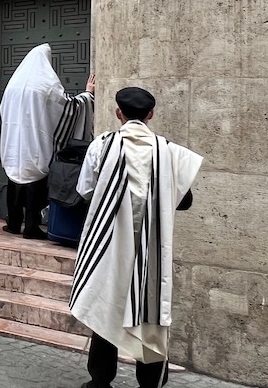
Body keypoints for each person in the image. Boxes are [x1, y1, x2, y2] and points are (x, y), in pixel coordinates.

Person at [70, 87, 202, 388]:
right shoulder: (167, 151)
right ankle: (150, 383)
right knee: (151, 314)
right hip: (152, 248)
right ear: (151, 115)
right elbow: (185, 200)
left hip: (111, 245)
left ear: (119, 113)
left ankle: (100, 381)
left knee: (107, 305)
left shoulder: (102, 145)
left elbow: (85, 191)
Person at [0, 43, 94, 239]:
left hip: (14, 144)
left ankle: (14, 222)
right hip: (34, 144)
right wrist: (87, 95)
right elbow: (68, 108)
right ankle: (32, 227)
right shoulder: (46, 86)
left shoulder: (13, 85)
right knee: (34, 180)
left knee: (15, 176)